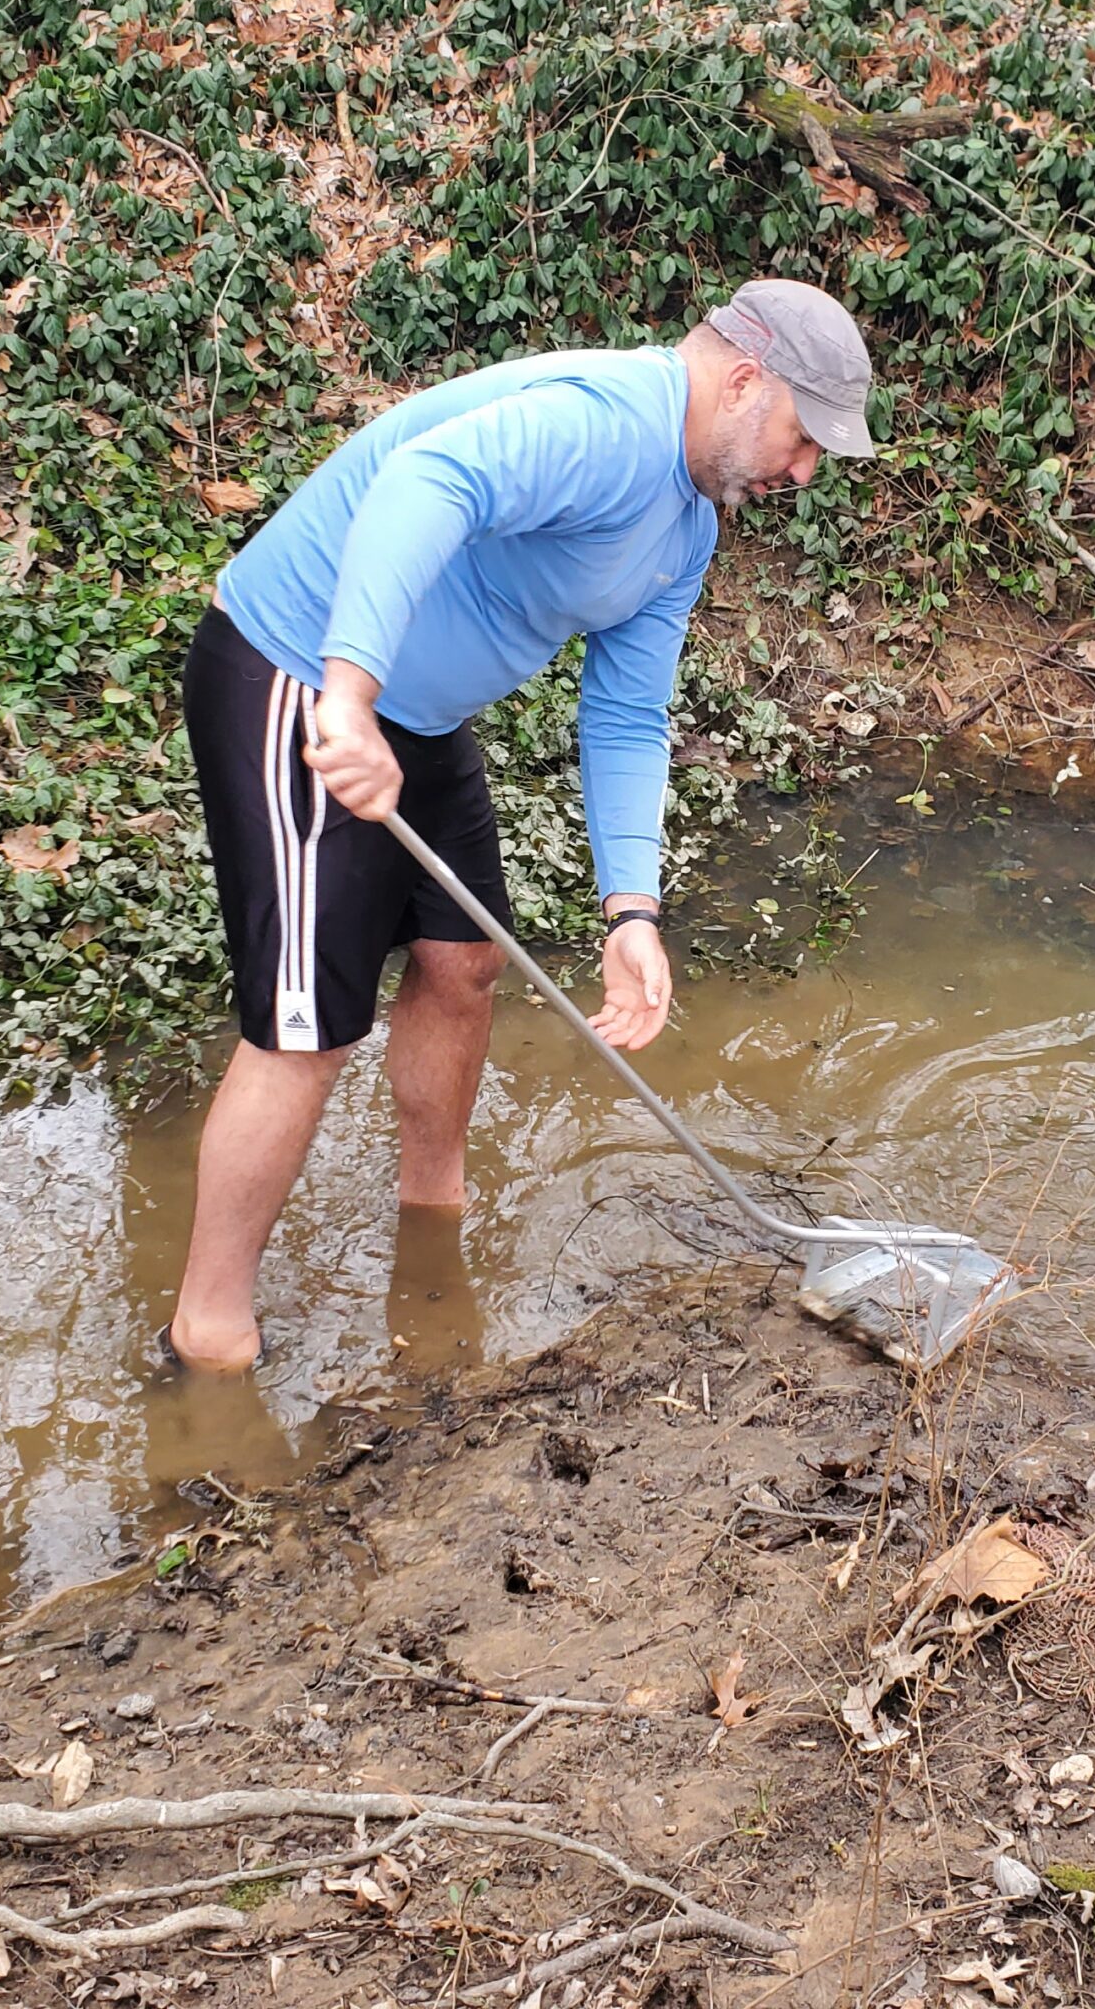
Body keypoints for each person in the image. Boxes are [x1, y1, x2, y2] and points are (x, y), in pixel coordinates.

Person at [161, 279, 881, 1372]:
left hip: (413, 711)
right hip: (298, 673)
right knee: (306, 1027)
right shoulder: (604, 419)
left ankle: (431, 1212)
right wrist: (347, 696)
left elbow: (629, 710)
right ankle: (207, 1333)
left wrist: (630, 907)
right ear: (744, 382)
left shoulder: (686, 527)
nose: (803, 470)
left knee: (463, 962)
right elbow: (422, 481)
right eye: (802, 437)